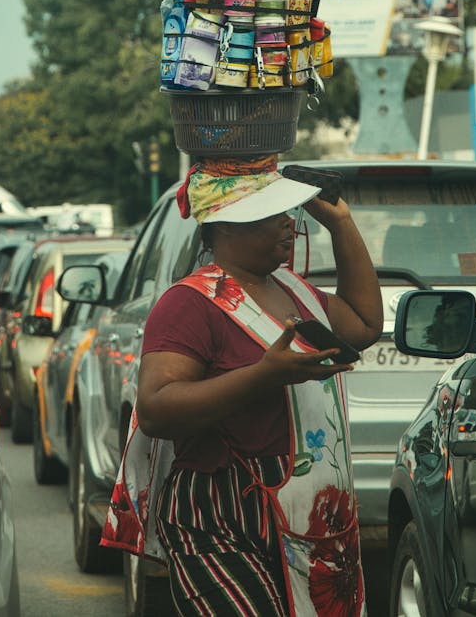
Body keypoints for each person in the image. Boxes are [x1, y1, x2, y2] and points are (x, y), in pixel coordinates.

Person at [102, 158, 383, 616]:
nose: (289, 223)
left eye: (288, 212)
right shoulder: (188, 303)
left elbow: (366, 323)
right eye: (274, 214)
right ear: (227, 224)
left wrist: (342, 224)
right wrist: (265, 375)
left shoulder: (295, 291)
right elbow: (155, 408)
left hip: (302, 511)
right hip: (216, 515)